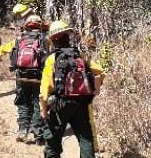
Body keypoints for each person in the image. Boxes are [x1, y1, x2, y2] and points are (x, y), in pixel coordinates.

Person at [40, 20, 105, 158]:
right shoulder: (81, 56)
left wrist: (44, 112)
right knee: (85, 139)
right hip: (81, 104)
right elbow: (100, 72)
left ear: (53, 40)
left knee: (53, 141)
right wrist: (93, 92)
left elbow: (44, 92)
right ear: (68, 37)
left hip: (59, 105)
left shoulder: (52, 59)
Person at [0, 14, 48, 144]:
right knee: (37, 103)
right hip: (38, 77)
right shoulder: (45, 39)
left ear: (27, 25)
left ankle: (23, 130)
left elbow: (8, 51)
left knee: (23, 102)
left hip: (21, 76)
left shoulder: (19, 39)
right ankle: (37, 133)